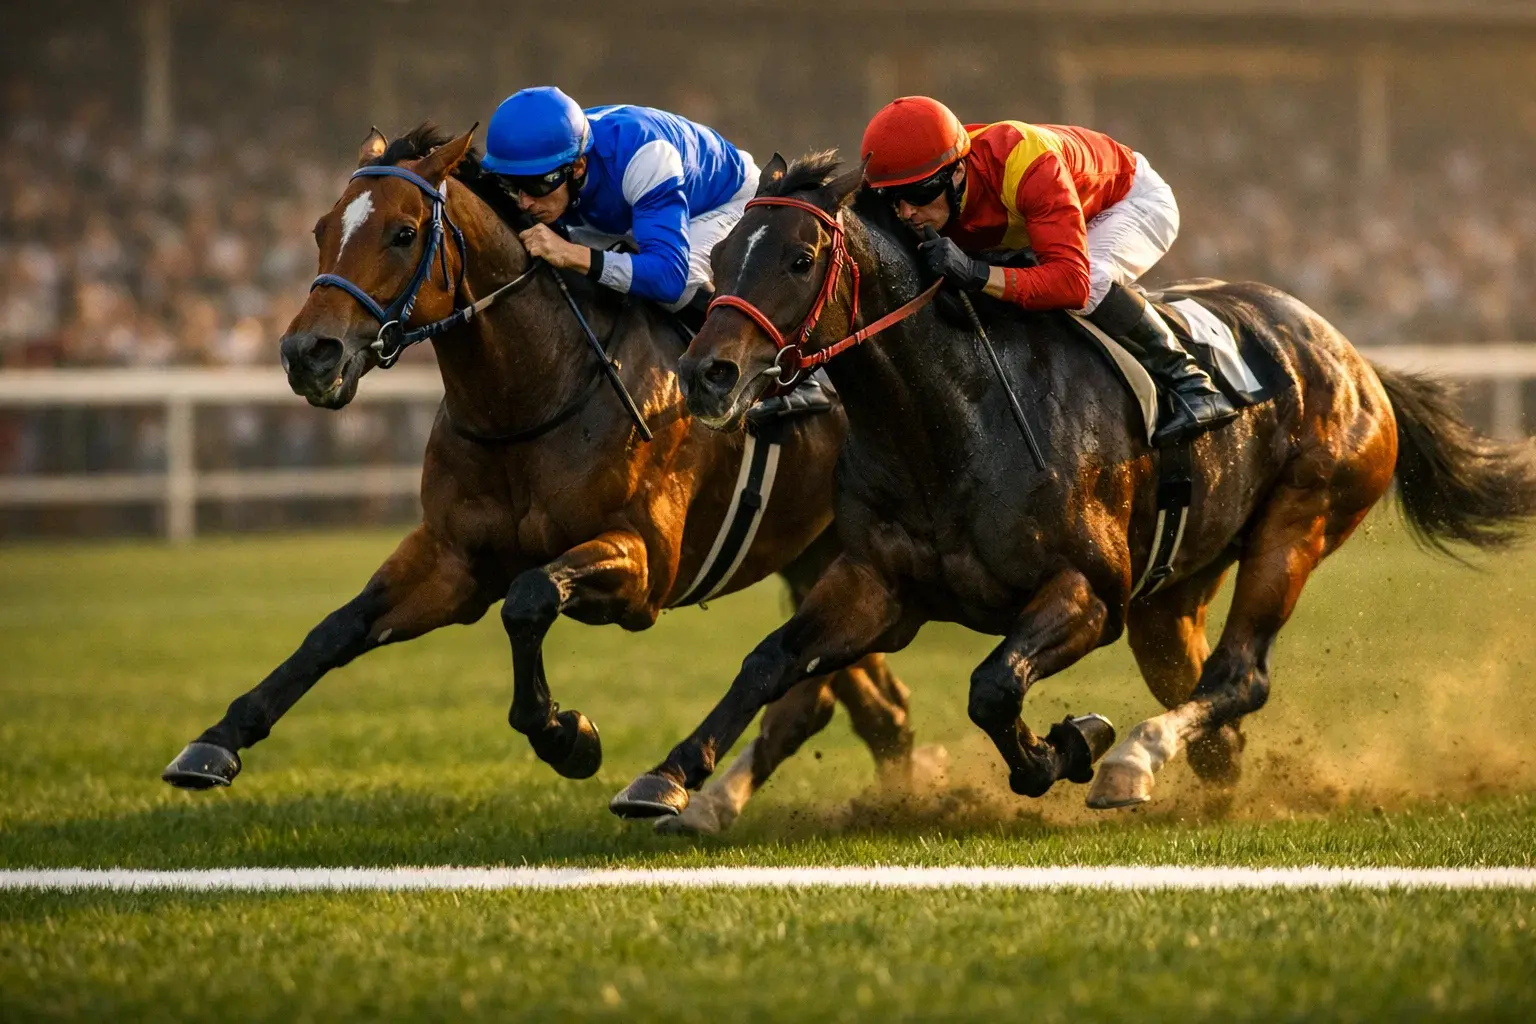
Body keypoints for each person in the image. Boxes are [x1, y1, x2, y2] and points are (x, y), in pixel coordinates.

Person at [859, 96, 1236, 446]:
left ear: (956, 173)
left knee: (1093, 283)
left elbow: (1072, 283)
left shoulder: (1025, 164)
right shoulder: (914, 179)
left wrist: (976, 272)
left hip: (1126, 202)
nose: (906, 212)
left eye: (920, 195)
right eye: (894, 199)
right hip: (1039, 227)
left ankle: (1191, 382)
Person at [483, 85, 832, 416]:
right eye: (513, 184)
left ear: (577, 167)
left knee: (679, 284)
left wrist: (574, 255)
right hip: (635, 214)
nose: (525, 200)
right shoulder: (557, 158)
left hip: (724, 202)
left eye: (536, 184)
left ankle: (792, 384)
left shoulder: (643, 157)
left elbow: (667, 276)